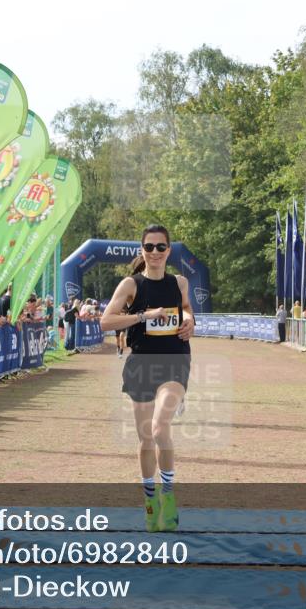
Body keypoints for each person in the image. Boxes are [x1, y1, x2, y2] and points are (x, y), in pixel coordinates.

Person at [100, 224, 194, 533]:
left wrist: (190, 320)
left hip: (175, 361)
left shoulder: (179, 282)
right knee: (145, 438)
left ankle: (168, 496)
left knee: (159, 426)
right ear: (142, 250)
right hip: (141, 363)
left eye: (161, 247)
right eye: (149, 247)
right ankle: (150, 500)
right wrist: (143, 316)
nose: (155, 252)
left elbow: (186, 309)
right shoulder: (131, 284)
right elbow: (106, 321)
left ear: (169, 250)